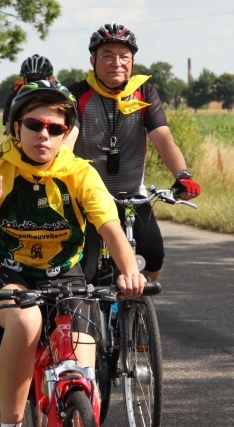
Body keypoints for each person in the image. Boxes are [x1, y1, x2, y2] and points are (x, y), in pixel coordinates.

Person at [0, 80, 146, 427]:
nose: (43, 134)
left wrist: (130, 271)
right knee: (27, 322)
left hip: (65, 276)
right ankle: (10, 422)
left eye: (54, 128)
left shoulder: (80, 174)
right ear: (17, 127)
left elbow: (110, 227)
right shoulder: (0, 171)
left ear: (64, 134)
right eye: (34, 124)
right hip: (8, 274)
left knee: (83, 367)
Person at [66, 22, 201, 283]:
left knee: (153, 255)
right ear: (93, 60)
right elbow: (68, 140)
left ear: (132, 61)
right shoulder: (77, 94)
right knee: (88, 270)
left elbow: (162, 136)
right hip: (87, 197)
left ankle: (141, 315)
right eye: (107, 55)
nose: (116, 62)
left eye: (124, 56)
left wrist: (183, 174)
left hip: (131, 197)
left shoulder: (144, 92)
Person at [2, 54, 55, 135]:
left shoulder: (57, 94)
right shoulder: (15, 97)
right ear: (24, 80)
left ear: (49, 78)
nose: (35, 83)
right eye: (30, 79)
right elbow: (9, 127)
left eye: (40, 79)